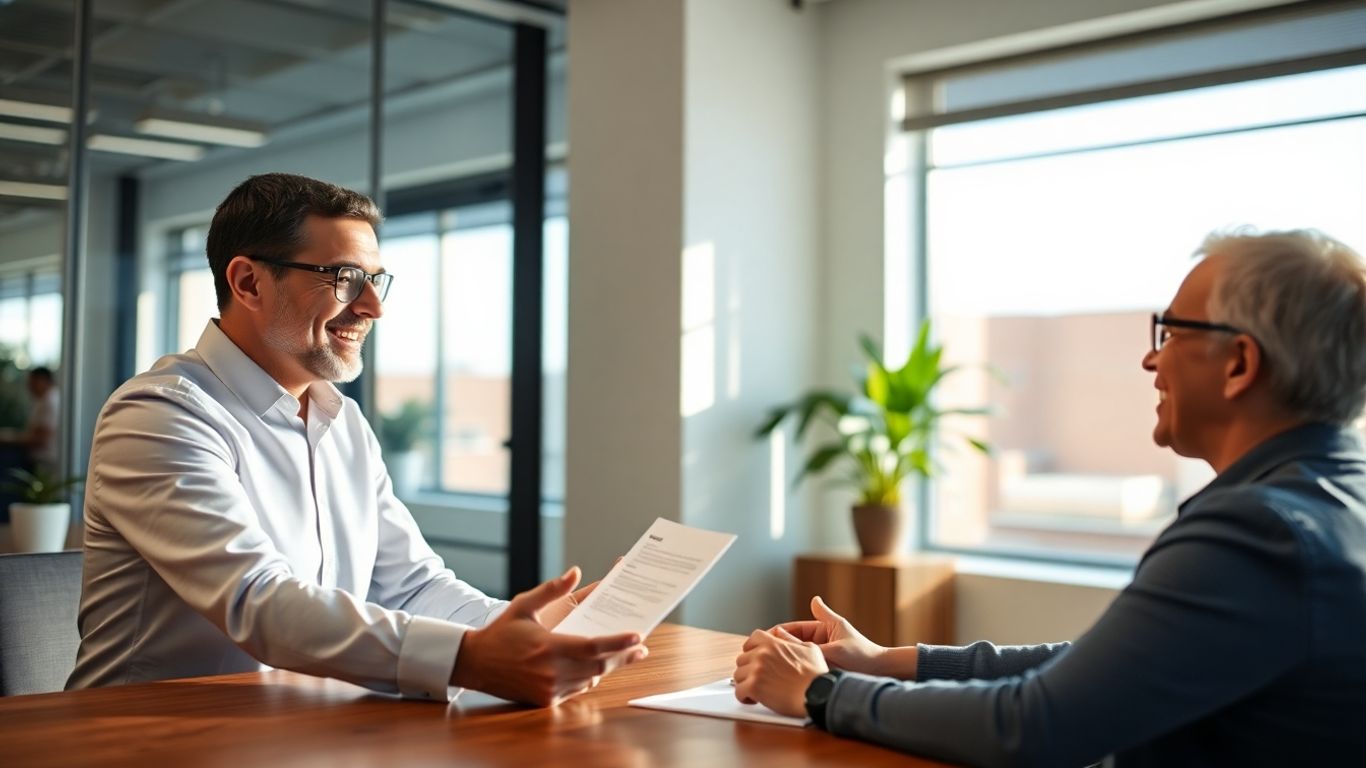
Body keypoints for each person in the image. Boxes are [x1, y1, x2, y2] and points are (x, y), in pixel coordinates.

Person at [733, 229, 1366, 766]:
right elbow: (1103, 667)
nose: (1151, 360)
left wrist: (822, 693)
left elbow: (1035, 726)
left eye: (1170, 333)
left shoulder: (1259, 531)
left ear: (1239, 364)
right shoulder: (1332, 501)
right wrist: (884, 660)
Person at [68, 173, 646, 704]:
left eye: (375, 281)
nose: (372, 307)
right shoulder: (161, 414)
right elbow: (257, 601)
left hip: (304, 732)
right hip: (149, 738)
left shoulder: (341, 420)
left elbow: (412, 586)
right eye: (345, 279)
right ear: (248, 281)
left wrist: (537, 624)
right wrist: (468, 659)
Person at [0, 366, 59, 475]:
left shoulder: (50, 401)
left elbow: (41, 439)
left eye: (32, 383)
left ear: (43, 381)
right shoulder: (43, 400)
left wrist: (10, 438)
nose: (29, 387)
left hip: (44, 463)